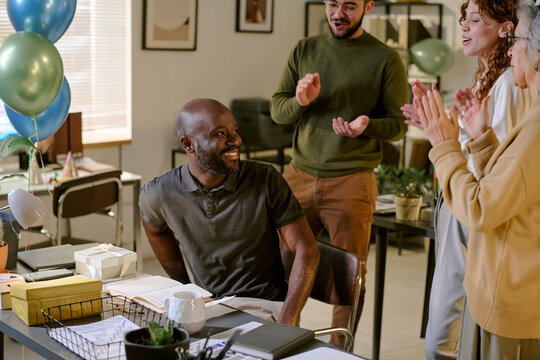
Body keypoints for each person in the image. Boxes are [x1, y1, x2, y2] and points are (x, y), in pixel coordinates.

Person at [270, 0, 408, 347]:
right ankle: (283, 344)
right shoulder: (305, 48)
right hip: (298, 175)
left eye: (349, 5)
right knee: (281, 266)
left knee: (348, 280)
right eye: (332, 3)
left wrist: (368, 125)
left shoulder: (385, 58)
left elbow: (398, 125)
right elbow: (278, 110)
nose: (338, 13)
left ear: (368, 7)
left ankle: (338, 353)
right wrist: (301, 100)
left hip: (352, 180)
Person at [402, 1, 531, 358]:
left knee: (449, 311)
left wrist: (446, 140)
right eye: (465, 19)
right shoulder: (492, 77)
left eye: (475, 20)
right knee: (447, 307)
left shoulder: (509, 83)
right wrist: (439, 128)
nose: (464, 27)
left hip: (473, 207)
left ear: (507, 29)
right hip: (461, 198)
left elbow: (495, 167)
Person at [139, 98, 320, 326]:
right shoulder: (159, 193)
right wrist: (185, 288)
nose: (237, 141)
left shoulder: (265, 179)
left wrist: (288, 320)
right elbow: (154, 229)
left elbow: (307, 250)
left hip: (266, 307)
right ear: (188, 144)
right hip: (209, 308)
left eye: (235, 131)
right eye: (221, 134)